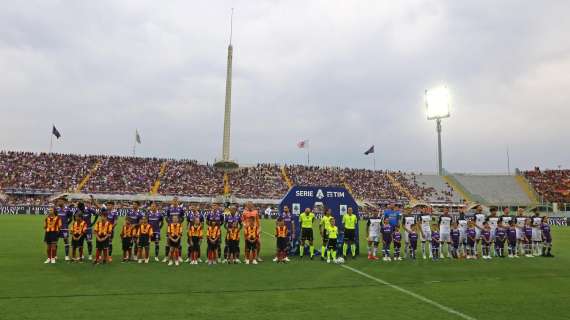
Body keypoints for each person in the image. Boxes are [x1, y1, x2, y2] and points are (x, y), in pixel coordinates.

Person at [164, 198, 184, 263]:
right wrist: (169, 223)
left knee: (179, 243)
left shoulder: (180, 209)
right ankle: (167, 257)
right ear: (172, 202)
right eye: (174, 201)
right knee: (168, 243)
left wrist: (179, 223)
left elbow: (182, 217)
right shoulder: (169, 209)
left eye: (176, 201)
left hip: (178, 228)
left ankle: (179, 256)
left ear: (178, 202)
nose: (175, 202)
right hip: (170, 227)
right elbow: (166, 217)